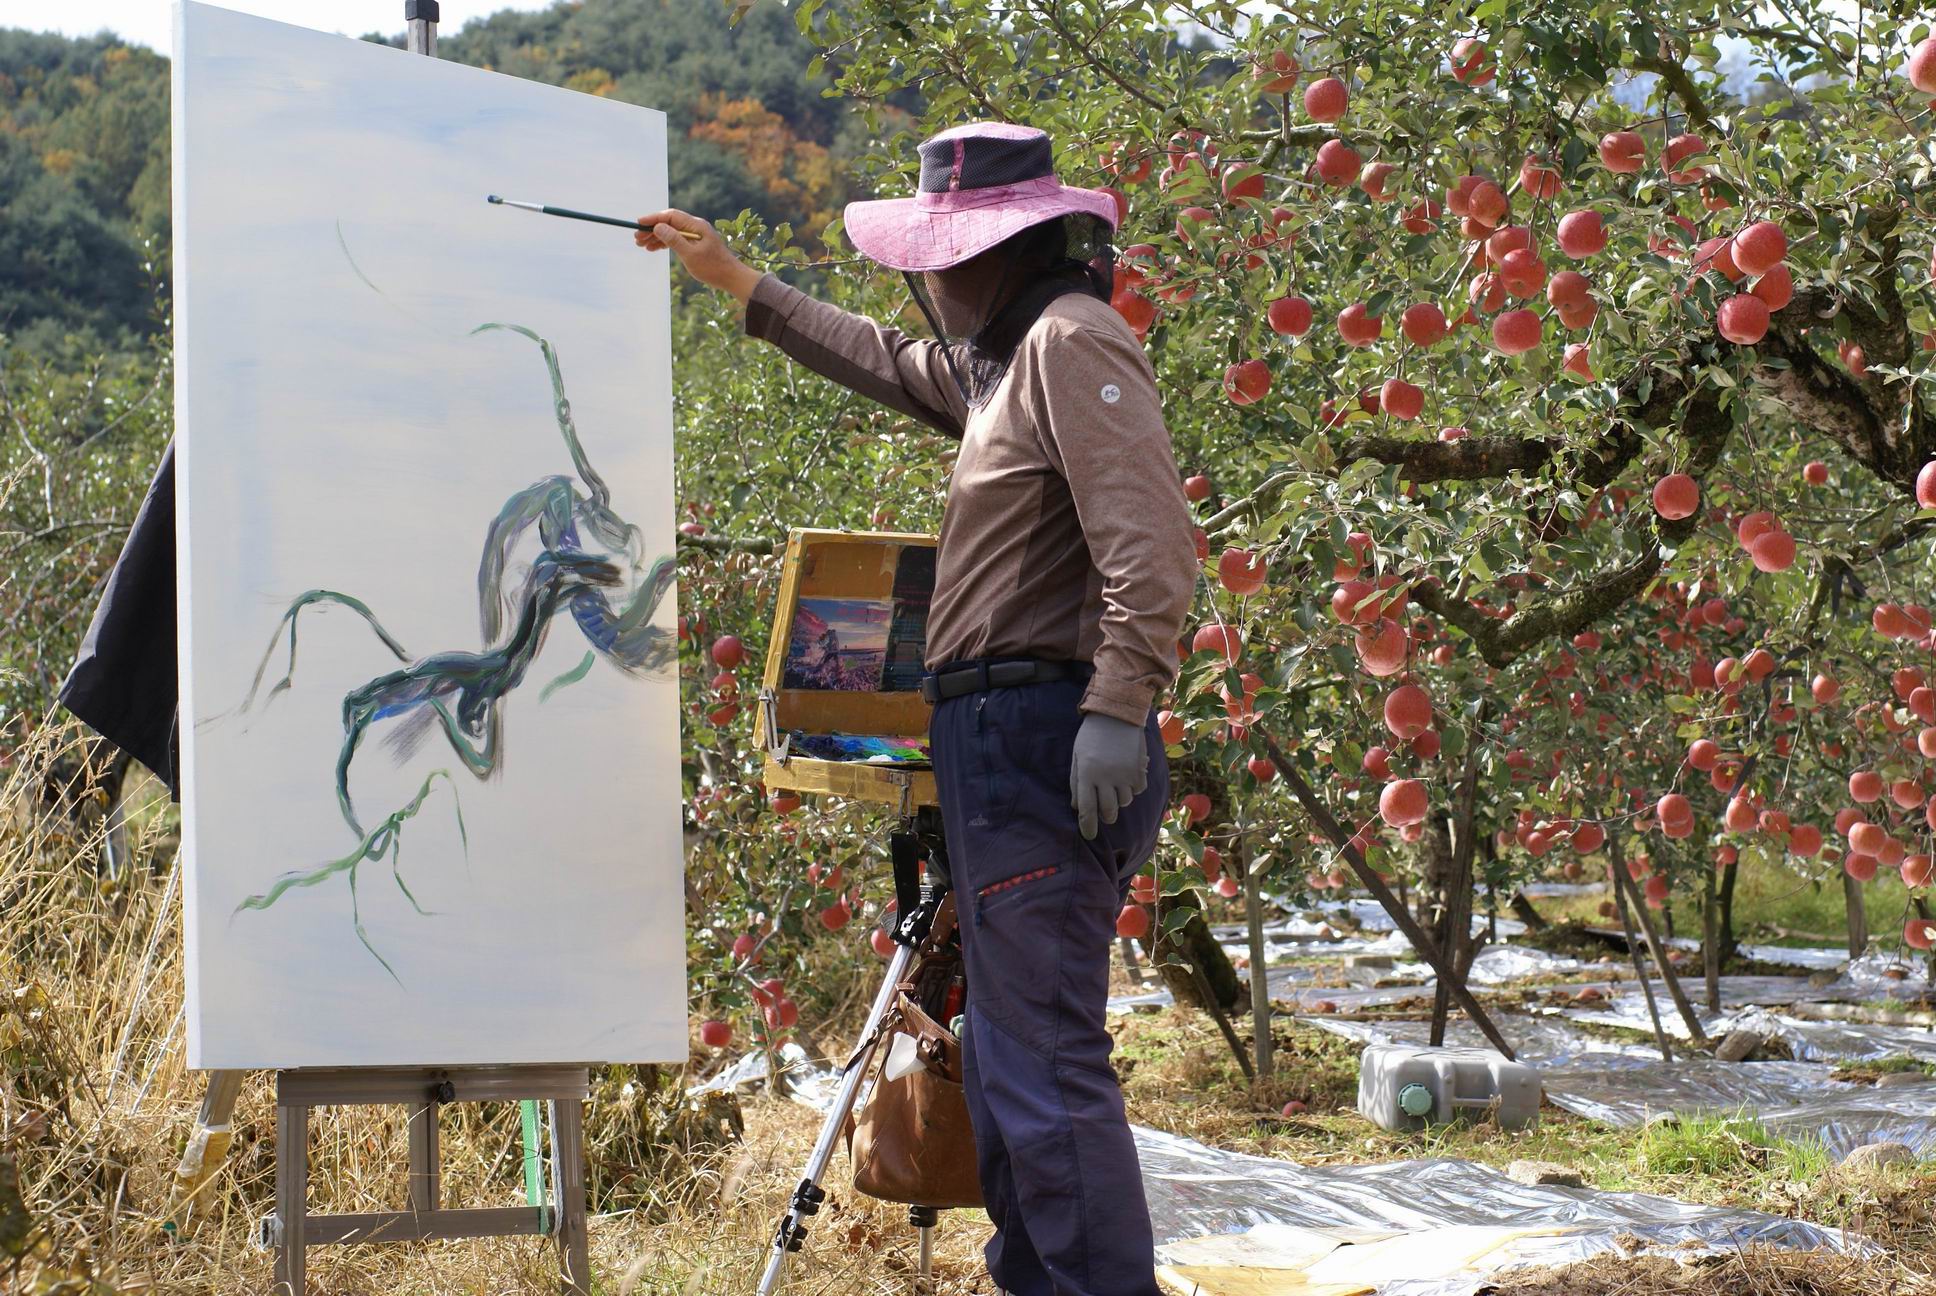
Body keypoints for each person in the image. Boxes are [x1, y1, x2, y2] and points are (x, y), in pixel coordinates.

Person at [638, 122, 1196, 1296]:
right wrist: (736, 280)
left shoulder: (1071, 341)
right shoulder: (1000, 366)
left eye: (942, 256)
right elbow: (880, 357)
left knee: (1041, 1054)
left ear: (1000, 249)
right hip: (998, 746)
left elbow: (1153, 546)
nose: (928, 281)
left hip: (1050, 736)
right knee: (1002, 1061)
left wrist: (1117, 702)